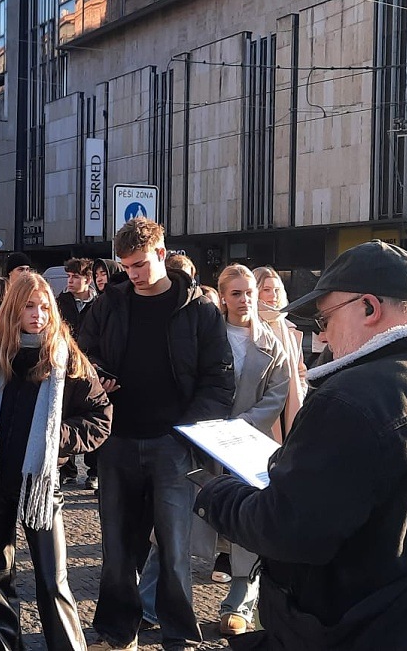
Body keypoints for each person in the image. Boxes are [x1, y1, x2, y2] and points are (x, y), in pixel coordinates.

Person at [195, 240, 407, 650]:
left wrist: (217, 494)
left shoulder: (351, 399)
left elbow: (286, 529)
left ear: (368, 308)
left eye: (325, 320)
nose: (323, 336)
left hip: (367, 634)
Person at [79, 217, 234, 651]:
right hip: (116, 440)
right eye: (127, 266)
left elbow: (219, 378)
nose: (133, 274)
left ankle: (178, 635)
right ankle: (117, 632)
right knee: (117, 547)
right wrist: (98, 376)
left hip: (173, 444)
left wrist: (187, 435)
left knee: (174, 547)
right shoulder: (109, 304)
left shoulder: (198, 308)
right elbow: (82, 355)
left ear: (162, 254)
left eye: (141, 264)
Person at [0, 272, 112, 650]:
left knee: (53, 579)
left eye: (45, 307)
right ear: (13, 309)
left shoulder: (68, 358)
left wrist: (54, 436)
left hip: (42, 483)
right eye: (29, 306)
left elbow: (100, 419)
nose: (38, 315)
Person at [208, 264, 290, 635]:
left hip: (248, 443)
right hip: (204, 439)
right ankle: (153, 600)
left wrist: (244, 423)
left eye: (249, 293)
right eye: (236, 293)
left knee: (247, 519)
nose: (245, 300)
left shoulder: (272, 343)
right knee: (179, 521)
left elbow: (277, 393)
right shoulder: (207, 335)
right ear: (224, 297)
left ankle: (239, 603)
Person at [55, 257, 98, 488]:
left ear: (88, 280)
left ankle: (94, 471)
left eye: (75, 277)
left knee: (89, 415)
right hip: (66, 364)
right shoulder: (60, 302)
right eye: (69, 276)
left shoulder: (98, 303)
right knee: (64, 414)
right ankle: (67, 469)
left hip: (91, 366)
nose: (70, 281)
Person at [253, 266, 308, 439]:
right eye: (266, 290)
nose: (273, 295)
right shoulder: (250, 326)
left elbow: (300, 370)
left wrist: (300, 391)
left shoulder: (288, 328)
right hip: (261, 410)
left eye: (277, 290)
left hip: (290, 406)